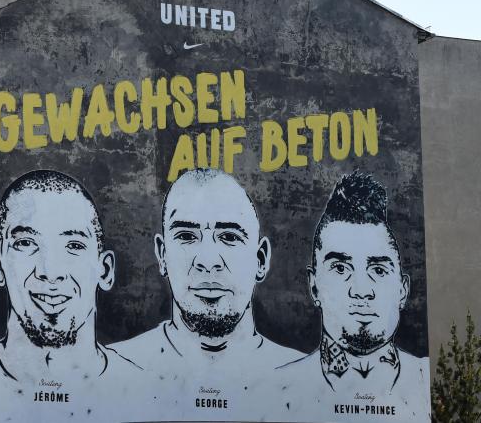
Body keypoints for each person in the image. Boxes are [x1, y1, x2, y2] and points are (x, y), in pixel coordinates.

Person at [0, 170, 143, 423]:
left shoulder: (142, 391)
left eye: (74, 246)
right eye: (26, 243)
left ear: (104, 270)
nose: (50, 272)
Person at [275, 171, 429, 421]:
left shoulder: (428, 380)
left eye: (378, 270)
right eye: (340, 268)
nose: (361, 290)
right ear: (314, 287)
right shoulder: (272, 390)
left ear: (402, 290)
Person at [114, 169, 299, 374]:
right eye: (186, 236)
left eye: (229, 237)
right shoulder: (121, 368)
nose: (208, 261)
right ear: (162, 255)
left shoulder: (302, 376)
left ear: (260, 259)